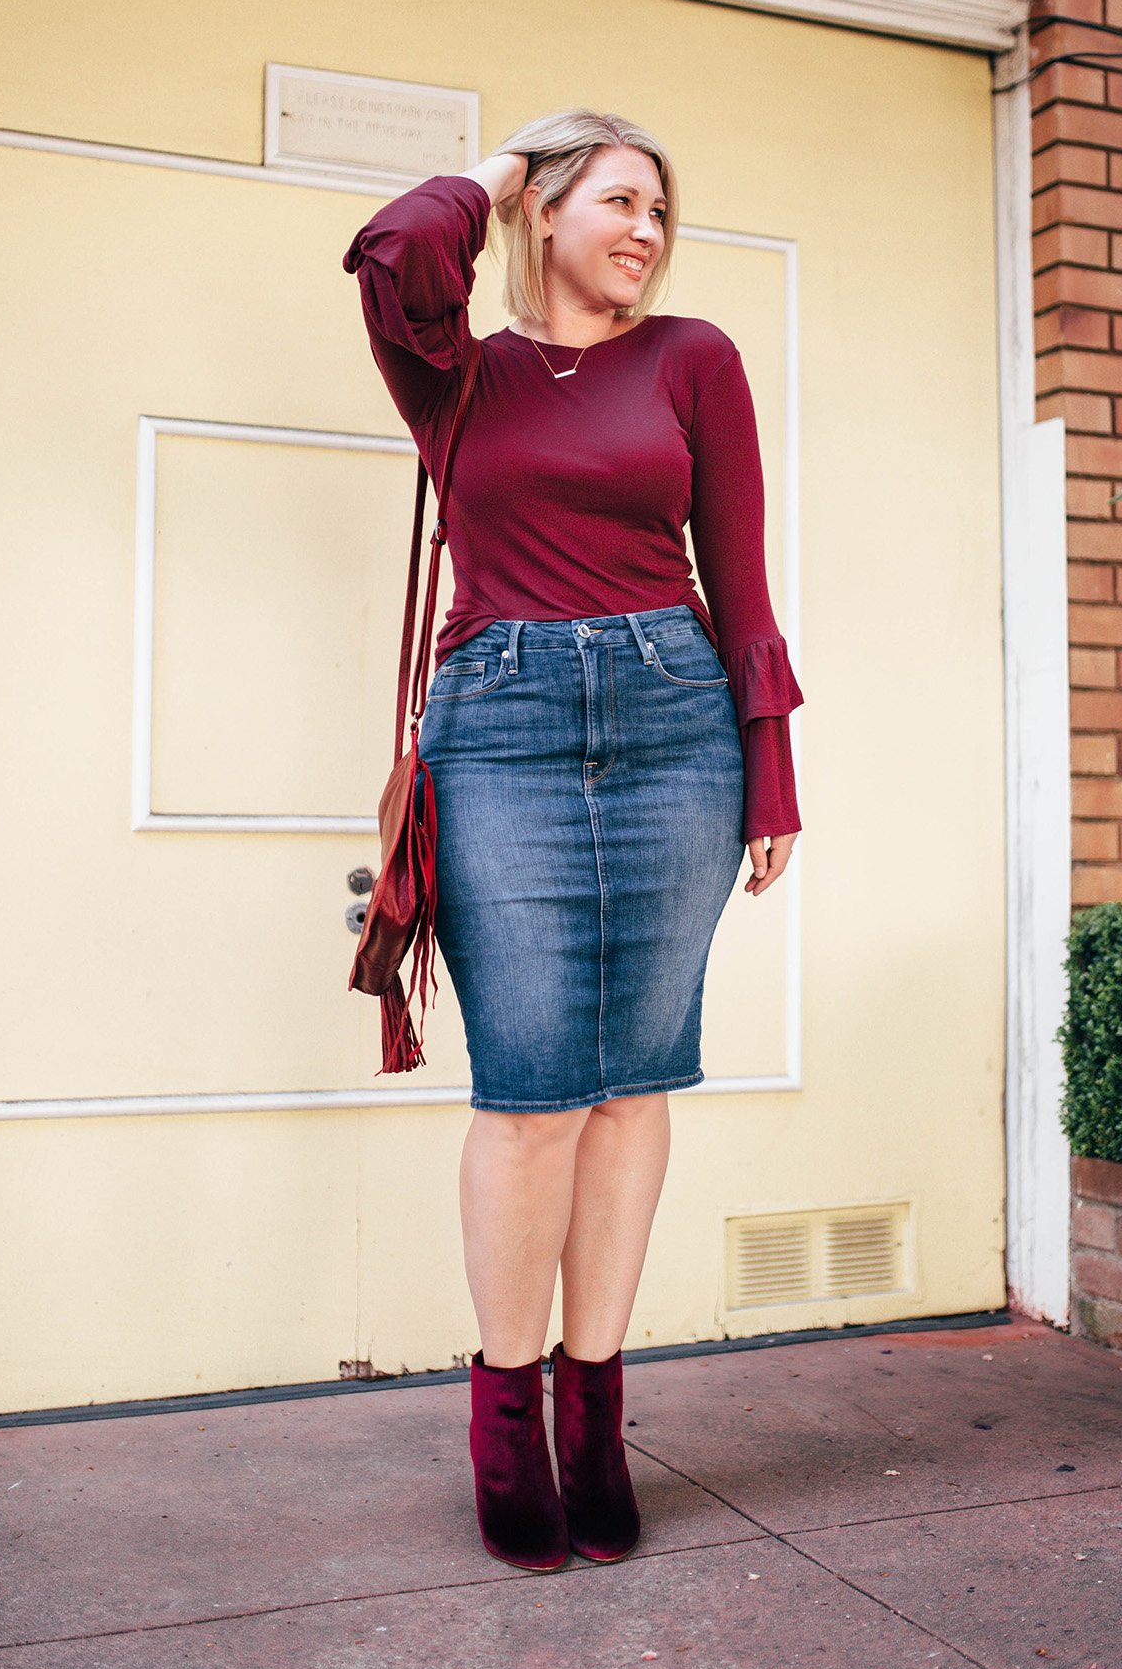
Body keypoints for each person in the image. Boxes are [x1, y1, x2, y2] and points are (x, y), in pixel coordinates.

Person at [343, 109, 802, 1572]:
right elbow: (396, 252)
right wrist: (493, 175)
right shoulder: (455, 373)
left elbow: (741, 575)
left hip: (675, 723)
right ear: (543, 211)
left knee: (635, 1080)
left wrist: (771, 771)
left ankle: (597, 1415)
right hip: (506, 726)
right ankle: (503, 1415)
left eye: (663, 210)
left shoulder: (694, 360)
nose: (648, 231)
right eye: (618, 201)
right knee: (533, 1087)